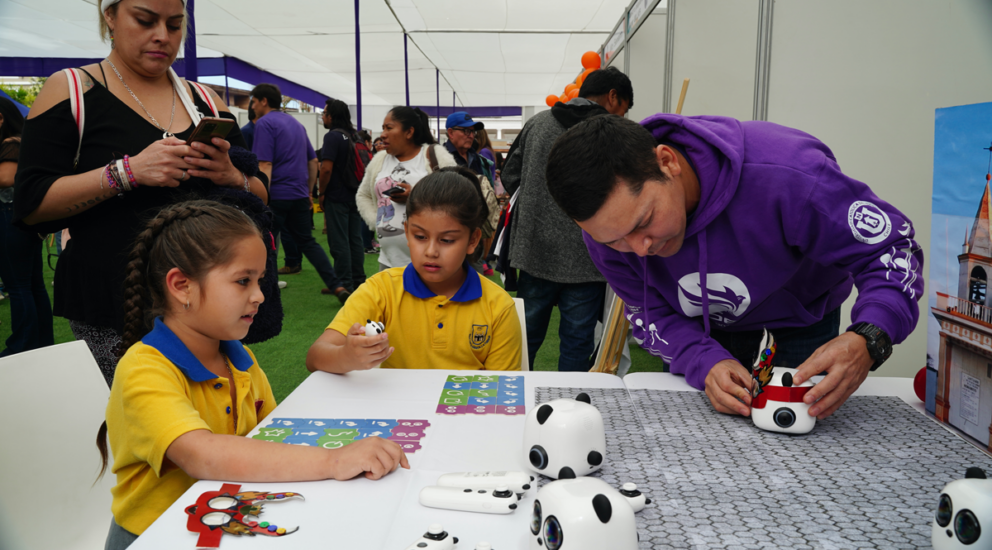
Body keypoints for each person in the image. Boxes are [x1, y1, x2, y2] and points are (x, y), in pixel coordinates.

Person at [545, 114, 923, 419]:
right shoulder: (606, 233)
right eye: (615, 241)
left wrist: (870, 336)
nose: (638, 250)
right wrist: (701, 358)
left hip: (801, 324)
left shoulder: (789, 174)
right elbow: (648, 309)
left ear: (667, 162)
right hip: (696, 330)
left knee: (800, 453)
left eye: (644, 222)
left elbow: (890, 250)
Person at [100, 200, 408, 550]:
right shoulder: (145, 368)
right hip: (156, 536)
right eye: (243, 281)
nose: (260, 295)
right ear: (182, 285)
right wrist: (333, 460)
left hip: (228, 522)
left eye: (259, 280)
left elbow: (270, 435)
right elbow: (203, 455)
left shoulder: (239, 357)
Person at [14, 0, 266, 385]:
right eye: (145, 20)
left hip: (203, 306)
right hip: (111, 303)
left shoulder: (206, 101)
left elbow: (259, 194)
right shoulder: (71, 91)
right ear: (110, 16)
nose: (162, 36)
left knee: (212, 417)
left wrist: (233, 177)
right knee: (142, 428)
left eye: (175, 24)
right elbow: (31, 205)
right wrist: (126, 172)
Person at [307, 167, 522, 373]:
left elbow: (501, 390)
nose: (431, 251)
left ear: (473, 240)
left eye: (447, 240)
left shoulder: (498, 307)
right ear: (407, 232)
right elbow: (315, 356)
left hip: (468, 409)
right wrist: (346, 356)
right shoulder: (381, 290)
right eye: (420, 237)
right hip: (397, 410)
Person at [501, 66, 633, 371]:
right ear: (613, 97)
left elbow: (510, 176)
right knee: (577, 340)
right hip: (589, 254)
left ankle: (517, 401)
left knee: (526, 337)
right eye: (623, 109)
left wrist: (539, 202)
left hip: (536, 250)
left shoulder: (537, 123)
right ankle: (572, 407)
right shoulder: (615, 134)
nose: (622, 116)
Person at [250, 82, 350, 303]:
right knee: (308, 242)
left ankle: (268, 296)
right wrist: (308, 192)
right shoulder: (296, 124)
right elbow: (313, 161)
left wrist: (259, 197)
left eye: (254, 102)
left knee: (266, 244)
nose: (253, 106)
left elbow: (265, 164)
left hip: (275, 195)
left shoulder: (265, 124)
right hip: (298, 194)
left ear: (264, 101)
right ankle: (337, 285)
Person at [356, 106, 457, 271]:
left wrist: (414, 197)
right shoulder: (380, 159)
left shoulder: (436, 156)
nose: (382, 134)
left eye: (389, 128)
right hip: (388, 261)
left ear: (409, 132)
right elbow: (363, 195)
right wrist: (377, 221)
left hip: (431, 262)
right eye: (383, 128)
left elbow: (458, 196)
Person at [0, 97, 54, 356]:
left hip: (9, 218)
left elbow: (6, 178)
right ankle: (40, 342)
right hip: (23, 220)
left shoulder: (10, 142)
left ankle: (21, 345)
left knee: (19, 285)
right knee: (31, 284)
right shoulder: (22, 139)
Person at [443, 112, 500, 274]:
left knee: (475, 275)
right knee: (449, 273)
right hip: (449, 225)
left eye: (473, 132)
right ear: (451, 132)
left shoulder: (478, 159)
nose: (471, 136)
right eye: (466, 131)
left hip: (475, 226)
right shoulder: (439, 157)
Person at [319, 99, 367, 293]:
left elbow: (326, 169)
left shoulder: (332, 137)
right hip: (356, 194)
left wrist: (321, 192)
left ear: (332, 116)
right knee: (355, 240)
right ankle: (358, 281)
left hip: (337, 195)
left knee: (339, 241)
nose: (323, 116)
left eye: (324, 113)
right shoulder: (355, 136)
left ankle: (343, 284)